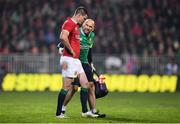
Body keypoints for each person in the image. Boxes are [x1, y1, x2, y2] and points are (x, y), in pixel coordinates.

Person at [56, 7, 98, 118]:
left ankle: (85, 111)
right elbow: (62, 38)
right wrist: (69, 50)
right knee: (67, 87)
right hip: (69, 59)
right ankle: (59, 112)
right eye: (84, 19)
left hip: (77, 61)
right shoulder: (69, 23)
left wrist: (91, 63)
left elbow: (88, 49)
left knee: (86, 84)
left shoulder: (76, 26)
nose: (84, 22)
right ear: (79, 15)